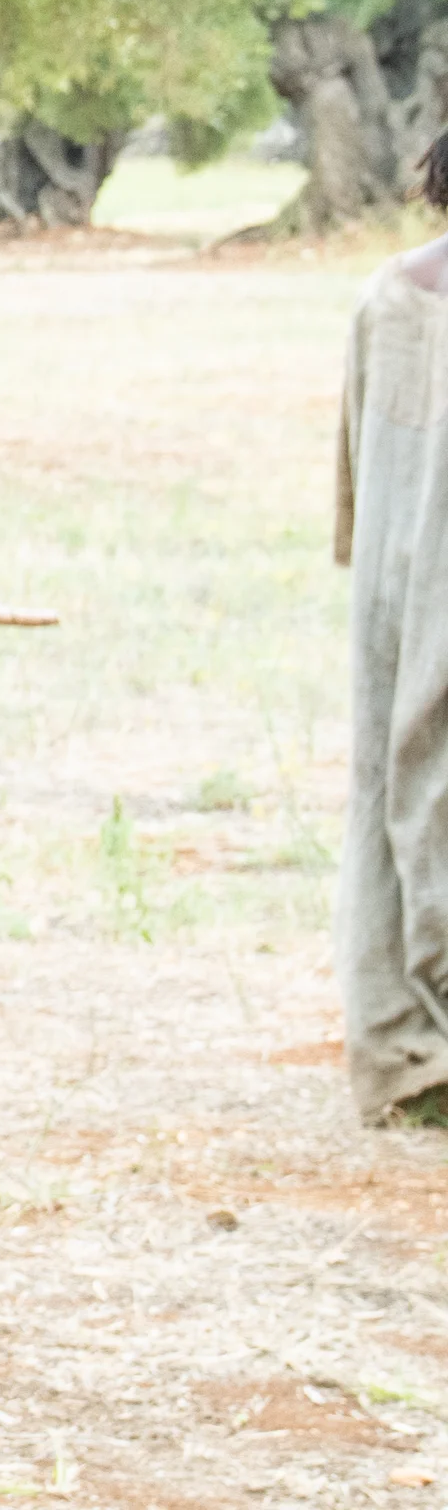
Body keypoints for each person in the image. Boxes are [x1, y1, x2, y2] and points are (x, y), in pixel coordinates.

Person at [338, 132, 448, 1124]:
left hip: (391, 588)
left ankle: (402, 1041)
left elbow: (354, 446)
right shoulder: (388, 300)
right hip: (416, 583)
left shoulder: (386, 294)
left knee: (388, 785)